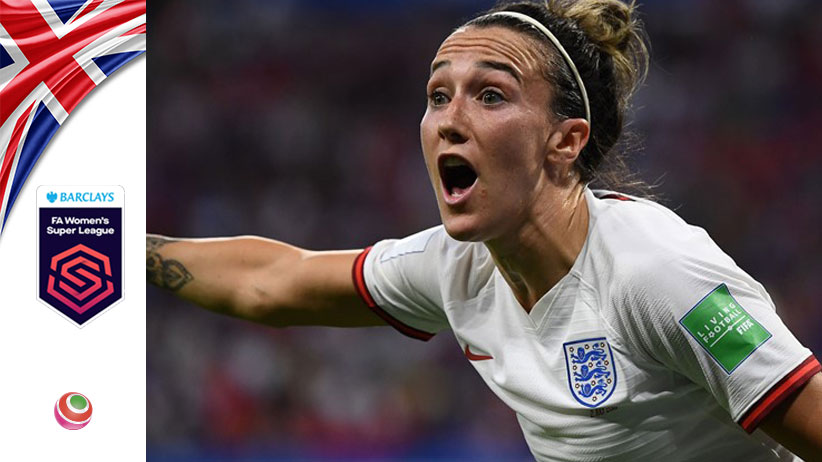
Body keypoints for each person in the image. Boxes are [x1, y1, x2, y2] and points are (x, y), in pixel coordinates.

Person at [147, 1, 822, 460]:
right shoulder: (457, 267)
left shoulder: (656, 273)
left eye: (490, 94)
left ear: (565, 141)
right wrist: (114, 247)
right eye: (438, 95)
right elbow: (271, 282)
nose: (449, 119)